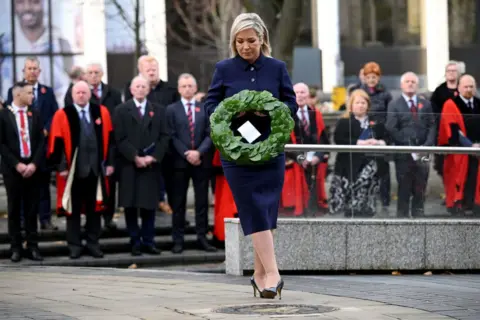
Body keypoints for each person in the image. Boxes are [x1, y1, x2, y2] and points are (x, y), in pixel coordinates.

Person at [203, 13, 297, 299]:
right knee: (251, 208)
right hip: (236, 154)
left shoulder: (277, 68)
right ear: (234, 41)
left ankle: (259, 275)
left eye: (251, 41)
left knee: (266, 210)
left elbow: (290, 104)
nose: (245, 46)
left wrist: (268, 111)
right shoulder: (224, 69)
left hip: (270, 150)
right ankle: (274, 273)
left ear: (262, 39)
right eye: (240, 41)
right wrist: (233, 113)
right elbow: (210, 105)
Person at [48, 81, 115, 259]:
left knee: (95, 210)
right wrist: (61, 167)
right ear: (72, 94)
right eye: (77, 92)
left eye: (84, 92)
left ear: (90, 94)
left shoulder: (101, 112)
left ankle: (93, 243)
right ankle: (75, 245)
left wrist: (109, 163)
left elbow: (111, 139)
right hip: (72, 171)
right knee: (73, 210)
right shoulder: (63, 115)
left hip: (96, 169)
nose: (81, 95)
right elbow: (56, 142)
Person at [114, 75, 169, 256]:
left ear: (148, 89)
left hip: (150, 166)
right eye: (136, 86)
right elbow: (119, 138)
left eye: (143, 86)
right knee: (130, 206)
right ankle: (135, 241)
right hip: (129, 165)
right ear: (131, 90)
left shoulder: (158, 111)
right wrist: (134, 156)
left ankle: (149, 241)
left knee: (149, 206)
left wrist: (153, 157)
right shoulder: (121, 110)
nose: (140, 89)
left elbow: (164, 136)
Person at [6, 57, 59, 231]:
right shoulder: (14, 91)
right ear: (24, 70)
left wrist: (46, 128)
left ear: (40, 71)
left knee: (42, 185)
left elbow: (54, 114)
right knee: (20, 189)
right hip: (20, 148)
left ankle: (45, 220)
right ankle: (22, 220)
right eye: (29, 68)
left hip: (39, 146)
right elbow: (9, 114)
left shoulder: (47, 92)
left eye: (35, 68)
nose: (32, 71)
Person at [166, 73, 216, 254]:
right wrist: (187, 153)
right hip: (180, 162)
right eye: (184, 86)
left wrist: (199, 152)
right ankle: (178, 240)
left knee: (202, 202)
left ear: (195, 88)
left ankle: (202, 238)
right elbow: (171, 135)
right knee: (178, 203)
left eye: (190, 86)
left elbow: (210, 133)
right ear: (179, 89)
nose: (187, 89)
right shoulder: (171, 110)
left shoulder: (204, 108)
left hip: (201, 162)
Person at [0, 82, 45, 262]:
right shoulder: (3, 115)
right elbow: (1, 144)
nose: (32, 96)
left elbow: (41, 141)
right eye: (29, 93)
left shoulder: (35, 113)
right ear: (18, 95)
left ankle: (32, 246)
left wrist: (34, 164)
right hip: (13, 169)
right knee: (14, 208)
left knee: (31, 208)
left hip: (32, 168)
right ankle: (16, 247)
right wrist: (16, 164)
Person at [329, 89, 388, 217]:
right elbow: (338, 139)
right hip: (348, 168)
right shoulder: (344, 122)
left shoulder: (375, 122)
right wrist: (359, 142)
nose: (360, 105)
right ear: (351, 105)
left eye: (363, 102)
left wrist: (377, 142)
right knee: (350, 209)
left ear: (368, 105)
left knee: (367, 208)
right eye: (357, 103)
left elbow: (387, 138)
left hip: (370, 169)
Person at [386, 72, 436, 218]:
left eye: (413, 82)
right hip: (403, 154)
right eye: (407, 81)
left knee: (421, 187)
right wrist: (410, 147)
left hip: (423, 153)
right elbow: (392, 128)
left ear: (417, 85)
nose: (410, 84)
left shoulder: (425, 104)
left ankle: (419, 217)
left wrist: (426, 146)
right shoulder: (394, 104)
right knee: (404, 188)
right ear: (401, 85)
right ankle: (402, 219)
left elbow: (432, 126)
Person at [438, 74, 480, 217]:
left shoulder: (479, 103)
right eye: (465, 86)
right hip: (460, 152)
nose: (468, 89)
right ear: (459, 88)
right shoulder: (451, 104)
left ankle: (475, 206)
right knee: (460, 180)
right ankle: (459, 206)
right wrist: (470, 146)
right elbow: (453, 130)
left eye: (471, 86)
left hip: (478, 152)